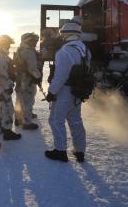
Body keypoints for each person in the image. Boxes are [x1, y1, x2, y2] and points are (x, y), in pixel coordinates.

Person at [45, 18, 90, 163]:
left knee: (56, 120)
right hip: (78, 91)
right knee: (75, 120)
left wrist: (51, 92)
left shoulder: (64, 51)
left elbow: (60, 76)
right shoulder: (85, 49)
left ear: (65, 34)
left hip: (65, 91)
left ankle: (60, 151)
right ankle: (80, 151)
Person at [0, 35, 21, 140]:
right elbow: (1, 75)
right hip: (3, 88)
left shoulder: (1, 56)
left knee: (1, 108)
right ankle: (7, 132)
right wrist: (8, 85)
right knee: (7, 109)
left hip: (0, 88)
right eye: (8, 44)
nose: (9, 46)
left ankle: (1, 128)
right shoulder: (1, 57)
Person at [14, 32, 42, 130]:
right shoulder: (29, 51)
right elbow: (32, 68)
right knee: (27, 100)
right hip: (28, 79)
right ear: (28, 40)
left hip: (20, 78)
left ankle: (18, 118)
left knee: (20, 99)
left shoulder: (20, 49)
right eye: (33, 41)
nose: (35, 43)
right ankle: (27, 122)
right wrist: (38, 77)